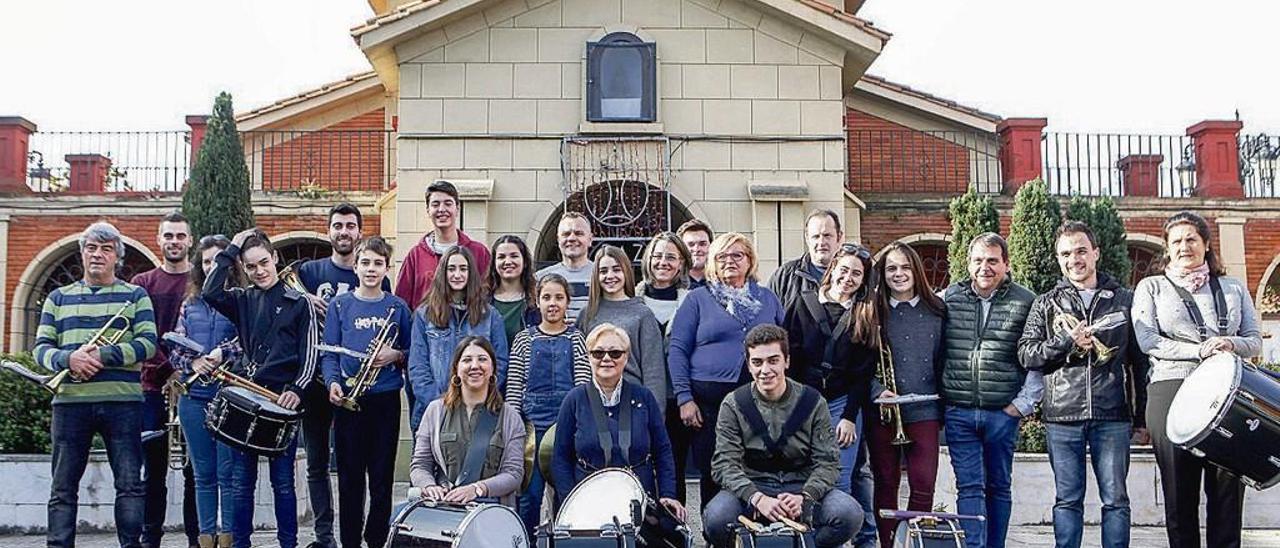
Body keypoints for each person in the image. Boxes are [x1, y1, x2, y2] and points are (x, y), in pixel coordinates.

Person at [1133, 211, 1261, 548]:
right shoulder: (1152, 287)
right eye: (1176, 241)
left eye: (1191, 239)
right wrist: (1200, 351)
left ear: (1206, 244)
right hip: (1171, 388)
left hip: (1228, 394)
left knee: (1227, 492)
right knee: (1179, 492)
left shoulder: (1232, 287)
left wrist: (1230, 344)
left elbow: (1254, 339)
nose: (1184, 246)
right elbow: (1149, 341)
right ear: (1167, 249)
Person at [1018, 221, 1150, 548]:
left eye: (1080, 251)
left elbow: (1140, 363)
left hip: (1113, 413)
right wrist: (1065, 341)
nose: (1073, 259)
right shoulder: (1046, 303)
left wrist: (1141, 418)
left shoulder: (1125, 300)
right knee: (1067, 499)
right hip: (1062, 415)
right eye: (1065, 253)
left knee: (1116, 499)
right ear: (1058, 259)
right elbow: (1027, 354)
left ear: (1095, 253)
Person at [34, 221, 158, 548]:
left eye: (106, 249)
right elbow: (41, 350)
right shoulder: (58, 298)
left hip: (123, 404)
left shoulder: (135, 296)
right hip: (70, 403)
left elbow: (148, 345)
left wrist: (102, 355)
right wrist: (69, 360)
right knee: (62, 487)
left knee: (130, 484)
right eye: (91, 248)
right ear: (82, 253)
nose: (98, 255)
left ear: (117, 256)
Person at [203, 228, 320, 548]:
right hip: (247, 398)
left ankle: (288, 544)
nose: (259, 271)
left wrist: (298, 388)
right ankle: (241, 544)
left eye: (264, 263)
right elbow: (210, 292)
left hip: (283, 400)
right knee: (242, 483)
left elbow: (311, 352)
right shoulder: (242, 299)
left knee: (283, 483)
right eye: (251, 266)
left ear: (275, 258)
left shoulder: (299, 302)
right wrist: (231, 249)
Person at [702, 324, 863, 548]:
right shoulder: (733, 403)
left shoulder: (813, 401)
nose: (765, 370)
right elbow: (723, 464)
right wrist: (756, 498)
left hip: (801, 485)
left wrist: (806, 497)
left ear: (786, 361)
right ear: (749, 365)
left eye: (773, 360)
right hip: (753, 485)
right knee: (715, 518)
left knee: (849, 513)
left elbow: (828, 462)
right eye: (757, 362)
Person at [294, 203, 391, 548]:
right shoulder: (310, 272)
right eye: (338, 226)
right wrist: (304, 298)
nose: (344, 232)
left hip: (359, 385)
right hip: (317, 381)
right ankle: (324, 536)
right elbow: (286, 302)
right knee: (317, 463)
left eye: (350, 226)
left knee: (357, 468)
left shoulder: (372, 272)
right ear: (329, 230)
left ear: (359, 232)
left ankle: (362, 533)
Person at [940, 232, 1043, 548]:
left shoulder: (1026, 301)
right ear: (968, 264)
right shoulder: (947, 298)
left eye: (992, 261)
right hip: (959, 411)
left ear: (1006, 264)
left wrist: (1023, 404)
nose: (985, 267)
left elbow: (1036, 356)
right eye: (978, 260)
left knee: (999, 485)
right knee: (969, 487)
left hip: (1002, 413)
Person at [668, 232, 785, 509]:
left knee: (756, 468)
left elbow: (785, 346)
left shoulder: (767, 299)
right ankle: (715, 530)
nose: (729, 261)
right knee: (714, 470)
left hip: (758, 403)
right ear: (712, 262)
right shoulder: (698, 299)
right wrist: (685, 398)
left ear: (750, 260)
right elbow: (678, 350)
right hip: (708, 406)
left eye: (737, 255)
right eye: (722, 257)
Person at [551, 323, 688, 546]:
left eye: (615, 353)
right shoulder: (574, 400)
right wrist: (571, 501)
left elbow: (663, 451)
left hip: (638, 500)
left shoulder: (644, 397)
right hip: (588, 499)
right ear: (589, 357)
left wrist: (668, 494)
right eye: (598, 353)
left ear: (626, 357)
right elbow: (560, 458)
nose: (607, 358)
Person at [320, 237, 413, 548]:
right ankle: (349, 542)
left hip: (384, 399)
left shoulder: (397, 307)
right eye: (366, 263)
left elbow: (412, 350)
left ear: (386, 268)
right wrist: (332, 381)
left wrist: (395, 355)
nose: (371, 269)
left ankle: (376, 540)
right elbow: (329, 352)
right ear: (356, 266)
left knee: (382, 478)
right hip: (349, 399)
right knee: (349, 479)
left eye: (378, 263)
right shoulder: (339, 306)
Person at [782, 244, 877, 529]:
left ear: (863, 280)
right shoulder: (802, 302)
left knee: (839, 479)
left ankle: (837, 537)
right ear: (833, 268)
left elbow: (863, 373)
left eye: (856, 274)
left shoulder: (865, 314)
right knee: (800, 473)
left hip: (841, 404)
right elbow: (789, 356)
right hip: (803, 401)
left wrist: (849, 416)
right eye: (844, 269)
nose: (848, 278)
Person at [867, 242, 945, 547]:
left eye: (905, 267)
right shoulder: (873, 311)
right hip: (884, 412)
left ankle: (913, 543)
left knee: (923, 483)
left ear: (917, 270)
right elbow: (862, 362)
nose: (899, 274)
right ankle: (887, 544)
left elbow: (944, 359)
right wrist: (876, 390)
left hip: (925, 409)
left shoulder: (937, 310)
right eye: (891, 269)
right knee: (886, 482)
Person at [130, 211, 199, 548]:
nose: (174, 242)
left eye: (180, 236)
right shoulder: (143, 283)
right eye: (168, 236)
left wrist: (184, 372)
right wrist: (167, 370)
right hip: (152, 389)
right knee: (152, 472)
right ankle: (150, 540)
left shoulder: (198, 283)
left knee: (194, 473)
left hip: (194, 387)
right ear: (159, 240)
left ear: (190, 241)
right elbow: (138, 334)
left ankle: (195, 539)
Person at [170, 234, 243, 548]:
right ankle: (205, 540)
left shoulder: (239, 300)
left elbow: (246, 344)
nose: (213, 266)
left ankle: (228, 538)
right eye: (207, 261)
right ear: (200, 266)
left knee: (228, 474)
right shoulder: (190, 303)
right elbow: (175, 348)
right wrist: (194, 363)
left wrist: (221, 354)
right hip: (194, 397)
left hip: (228, 398)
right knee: (202, 474)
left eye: (218, 260)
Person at [504, 274, 591, 535]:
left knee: (565, 491)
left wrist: (579, 423)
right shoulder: (524, 339)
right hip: (532, 427)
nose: (552, 303)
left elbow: (583, 384)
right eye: (546, 297)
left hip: (565, 428)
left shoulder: (577, 338)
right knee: (530, 494)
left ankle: (563, 540)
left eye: (559, 297)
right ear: (537, 302)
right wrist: (513, 422)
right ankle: (525, 538)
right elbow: (515, 384)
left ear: (567, 302)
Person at [409, 336, 527, 507]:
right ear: (456, 369)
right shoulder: (435, 411)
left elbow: (514, 474)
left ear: (493, 369)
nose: (475, 366)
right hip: (445, 509)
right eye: (467, 360)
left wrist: (478, 489)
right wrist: (429, 486)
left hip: (492, 511)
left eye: (482, 359)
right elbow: (420, 465)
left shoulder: (510, 417)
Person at [407, 246, 509, 434]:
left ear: (471, 273)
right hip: (434, 412)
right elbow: (417, 367)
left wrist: (478, 398)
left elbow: (500, 362)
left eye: (463, 269)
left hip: (481, 412)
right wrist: (441, 403)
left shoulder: (490, 316)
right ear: (442, 273)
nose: (457, 274)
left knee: (478, 464)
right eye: (451, 269)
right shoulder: (424, 315)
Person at [636, 232, 694, 503]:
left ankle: (675, 532)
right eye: (658, 256)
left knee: (674, 467)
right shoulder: (631, 300)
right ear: (648, 259)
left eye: (671, 257)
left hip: (678, 400)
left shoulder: (693, 301)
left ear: (681, 263)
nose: (663, 262)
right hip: (640, 398)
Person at [579, 245, 667, 407]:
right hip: (593, 399)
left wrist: (655, 414)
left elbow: (653, 371)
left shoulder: (642, 314)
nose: (610, 276)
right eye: (603, 271)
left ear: (626, 272)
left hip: (632, 398)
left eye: (616, 269)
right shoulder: (587, 314)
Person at [395, 180, 492, 313]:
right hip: (426, 331)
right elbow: (402, 302)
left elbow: (490, 295)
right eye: (435, 204)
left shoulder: (479, 253)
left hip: (470, 329)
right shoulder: (416, 256)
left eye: (448, 203)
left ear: (457, 209)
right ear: (428, 210)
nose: (442, 209)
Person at [768, 209, 844, 309]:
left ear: (839, 237)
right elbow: (768, 317)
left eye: (827, 235)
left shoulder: (853, 276)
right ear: (807, 239)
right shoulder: (785, 276)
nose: (821, 242)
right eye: (816, 236)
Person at [535, 211, 594, 323]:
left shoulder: (602, 275)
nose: (572, 238)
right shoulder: (540, 278)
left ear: (590, 239)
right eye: (566, 234)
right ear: (558, 240)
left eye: (579, 233)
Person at [489, 234, 540, 349]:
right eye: (501, 257)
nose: (508, 261)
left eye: (514, 256)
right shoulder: (482, 302)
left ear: (525, 261)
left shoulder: (537, 302)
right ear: (494, 263)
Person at [676, 219, 713, 290]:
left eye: (702, 244)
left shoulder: (722, 282)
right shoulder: (671, 283)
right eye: (691, 244)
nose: (697, 249)